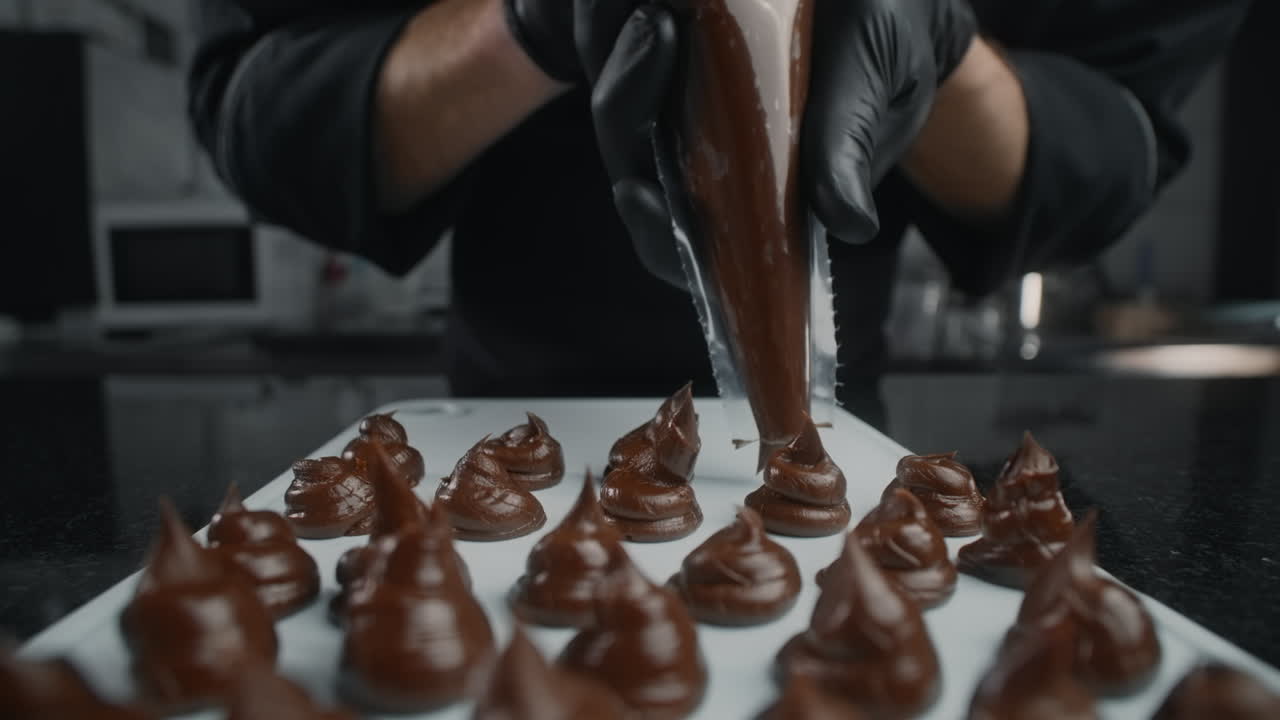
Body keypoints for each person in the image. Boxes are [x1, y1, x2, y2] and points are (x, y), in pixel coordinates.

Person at [188, 0, 1248, 428]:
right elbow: (259, 109)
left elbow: (1112, 140)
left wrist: (940, 51)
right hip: (498, 421)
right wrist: (524, 23)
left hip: (833, 423)